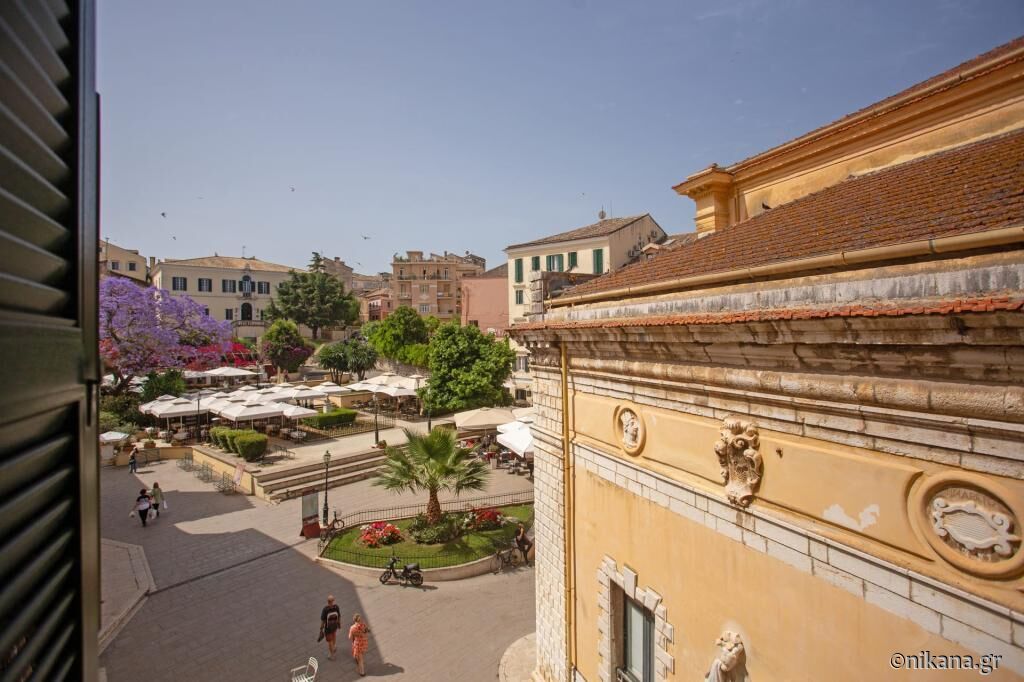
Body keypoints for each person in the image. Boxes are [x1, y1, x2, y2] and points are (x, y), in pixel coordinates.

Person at [320, 595, 341, 660]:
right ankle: (334, 647)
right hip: (335, 625)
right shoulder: (336, 607)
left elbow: (323, 620)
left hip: (328, 628)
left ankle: (332, 655)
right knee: (334, 635)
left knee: (329, 641)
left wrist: (321, 628)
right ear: (333, 601)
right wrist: (339, 624)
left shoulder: (325, 609)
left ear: (328, 601)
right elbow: (339, 616)